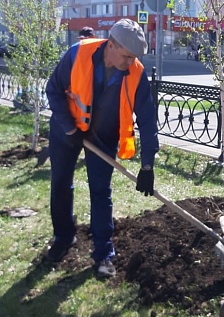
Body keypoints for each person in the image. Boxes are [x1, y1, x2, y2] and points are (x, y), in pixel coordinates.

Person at [44, 18, 159, 277]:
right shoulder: (77, 54)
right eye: (127, 57)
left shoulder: (136, 72)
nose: (131, 64)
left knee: (100, 192)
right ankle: (63, 238)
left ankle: (104, 254)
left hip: (103, 136)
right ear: (112, 44)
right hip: (66, 129)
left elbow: (148, 118)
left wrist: (148, 164)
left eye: (135, 58)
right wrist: (70, 129)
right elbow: (53, 90)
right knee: (60, 183)